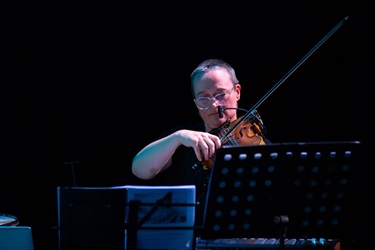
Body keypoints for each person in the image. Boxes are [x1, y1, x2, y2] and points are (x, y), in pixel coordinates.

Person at [131, 58, 271, 232]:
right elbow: (140, 169)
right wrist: (177, 137)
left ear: (237, 92)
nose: (214, 104)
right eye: (203, 98)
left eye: (221, 94)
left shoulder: (255, 143)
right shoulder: (185, 141)